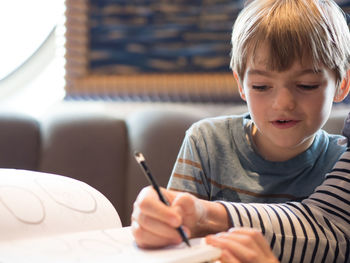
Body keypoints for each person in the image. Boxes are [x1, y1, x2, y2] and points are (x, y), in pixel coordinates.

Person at [131, 0, 350, 261]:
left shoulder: (340, 162)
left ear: (342, 84)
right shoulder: (207, 143)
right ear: (241, 84)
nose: (283, 104)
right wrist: (158, 225)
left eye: (306, 85)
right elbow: (175, 246)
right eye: (261, 86)